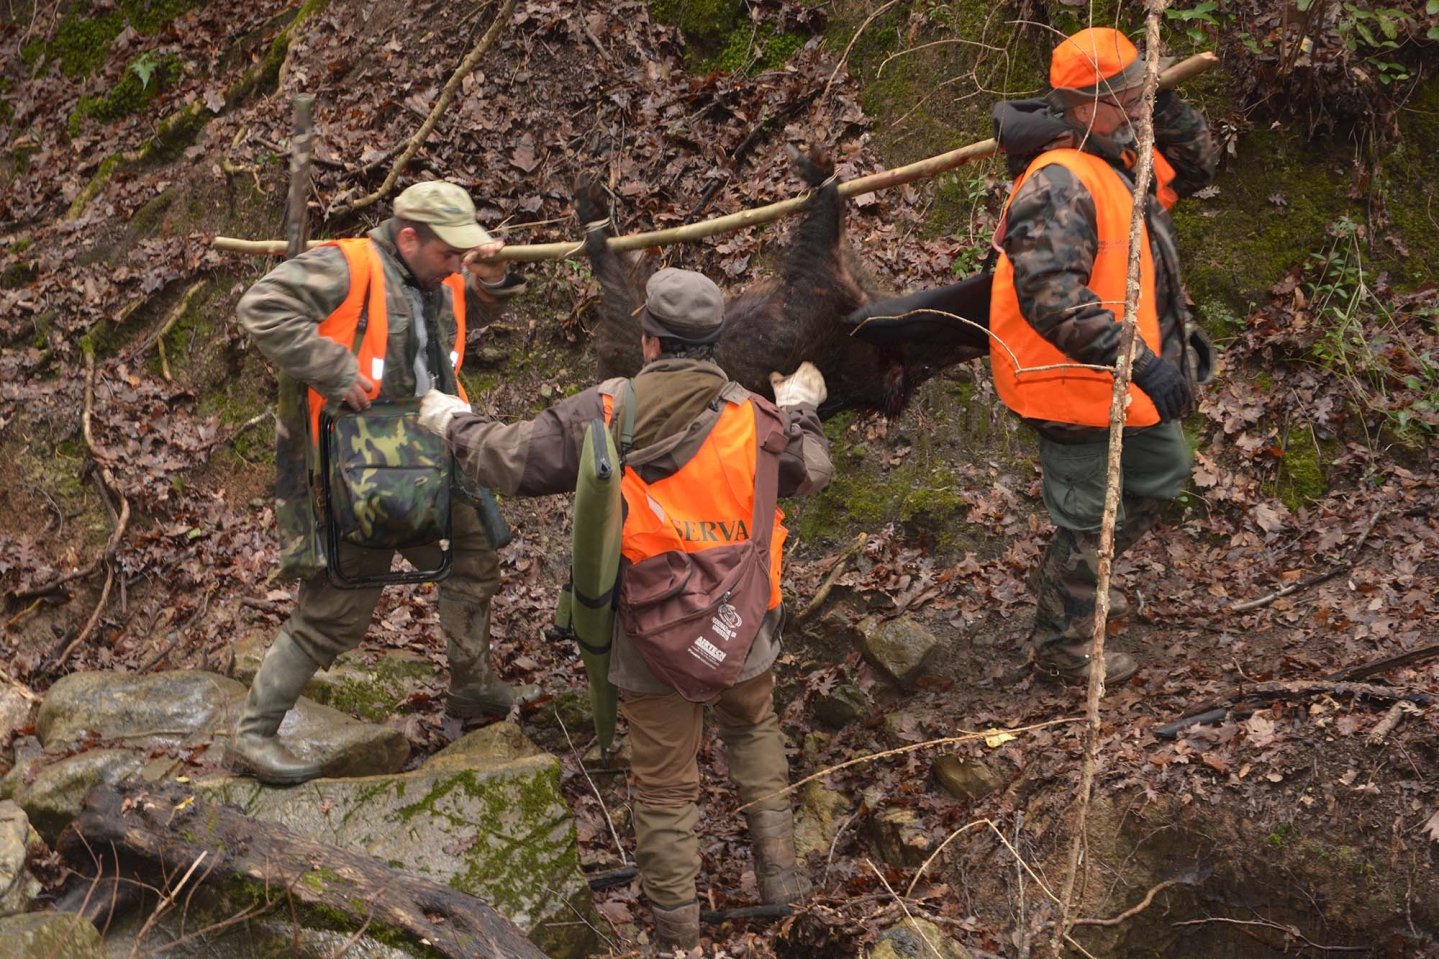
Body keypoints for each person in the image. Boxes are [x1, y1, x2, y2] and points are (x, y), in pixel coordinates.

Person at [415, 267, 833, 952]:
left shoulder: (608, 410)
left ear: (649, 341)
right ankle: (782, 890)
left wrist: (452, 422)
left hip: (654, 633)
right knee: (754, 732)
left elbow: (510, 458)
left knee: (666, 791)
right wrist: (797, 404)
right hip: (746, 623)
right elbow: (811, 468)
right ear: (712, 342)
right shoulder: (753, 418)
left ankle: (678, 942)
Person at [231, 180, 525, 785]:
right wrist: (333, 369)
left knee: (473, 563)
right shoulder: (345, 266)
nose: (456, 265)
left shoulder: (435, 274)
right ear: (409, 236)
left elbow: (458, 313)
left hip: (438, 452)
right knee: (337, 608)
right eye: (449, 253)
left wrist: (489, 280)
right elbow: (260, 308)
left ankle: (471, 687)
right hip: (363, 467)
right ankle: (254, 734)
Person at [986, 27, 1219, 684]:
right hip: (1075, 388)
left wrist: (1157, 100)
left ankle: (1079, 575)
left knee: (1161, 470)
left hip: (1121, 379)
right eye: (1126, 95)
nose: (1141, 104)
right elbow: (1049, 297)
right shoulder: (1057, 182)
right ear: (1085, 107)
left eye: (1142, 88)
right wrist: (1141, 362)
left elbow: (1197, 168)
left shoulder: (1118, 157)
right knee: (1088, 521)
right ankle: (1059, 652)